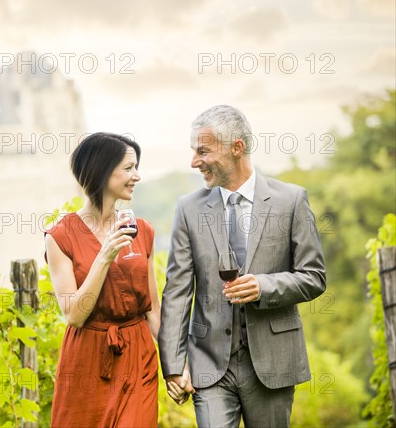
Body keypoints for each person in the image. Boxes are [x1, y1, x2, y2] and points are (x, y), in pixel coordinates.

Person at [158, 105, 326, 428]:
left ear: (237, 147)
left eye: (202, 150)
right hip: (209, 365)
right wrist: (174, 365)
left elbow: (314, 277)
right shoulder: (188, 209)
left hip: (273, 363)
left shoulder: (291, 201)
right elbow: (177, 291)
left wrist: (263, 286)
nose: (194, 161)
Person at [45, 132, 160, 428]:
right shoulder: (60, 236)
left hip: (137, 357)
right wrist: (105, 254)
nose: (137, 176)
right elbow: (74, 314)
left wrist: (176, 368)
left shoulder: (142, 231)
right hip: (86, 361)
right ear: (102, 170)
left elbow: (154, 312)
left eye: (136, 167)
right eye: (128, 168)